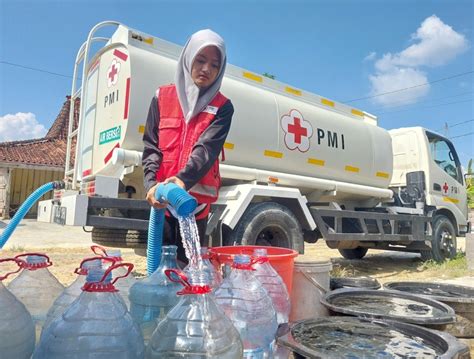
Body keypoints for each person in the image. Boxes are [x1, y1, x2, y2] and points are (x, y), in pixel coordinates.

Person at [142, 29, 234, 263]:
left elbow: (207, 149)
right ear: (188, 58)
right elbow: (151, 146)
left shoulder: (222, 107)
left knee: (189, 270)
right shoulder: (161, 97)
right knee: (158, 267)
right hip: (161, 200)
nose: (206, 69)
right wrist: (151, 184)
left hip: (193, 206)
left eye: (215, 65)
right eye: (201, 60)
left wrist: (183, 180)